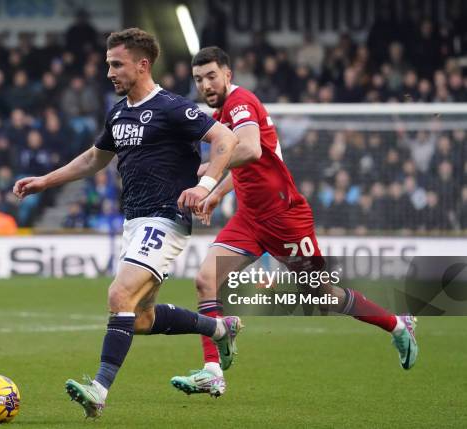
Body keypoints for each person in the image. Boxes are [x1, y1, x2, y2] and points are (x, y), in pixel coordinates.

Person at [13, 29, 241, 418]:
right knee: (140, 318)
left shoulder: (171, 107)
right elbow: (93, 159)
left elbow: (225, 139)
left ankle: (98, 389)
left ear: (143, 64)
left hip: (166, 218)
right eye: (108, 64)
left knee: (119, 296)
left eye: (116, 64)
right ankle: (220, 329)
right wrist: (45, 181)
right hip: (134, 222)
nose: (109, 72)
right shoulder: (118, 113)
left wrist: (204, 186)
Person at [170, 47, 418, 397]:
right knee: (204, 279)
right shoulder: (222, 112)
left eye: (212, 75)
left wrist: (205, 179)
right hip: (250, 218)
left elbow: (251, 149)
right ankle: (212, 370)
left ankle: (397, 324)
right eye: (199, 79)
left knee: (322, 296)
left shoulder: (241, 102)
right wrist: (219, 193)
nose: (206, 84)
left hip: (285, 219)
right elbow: (248, 162)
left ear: (228, 74)